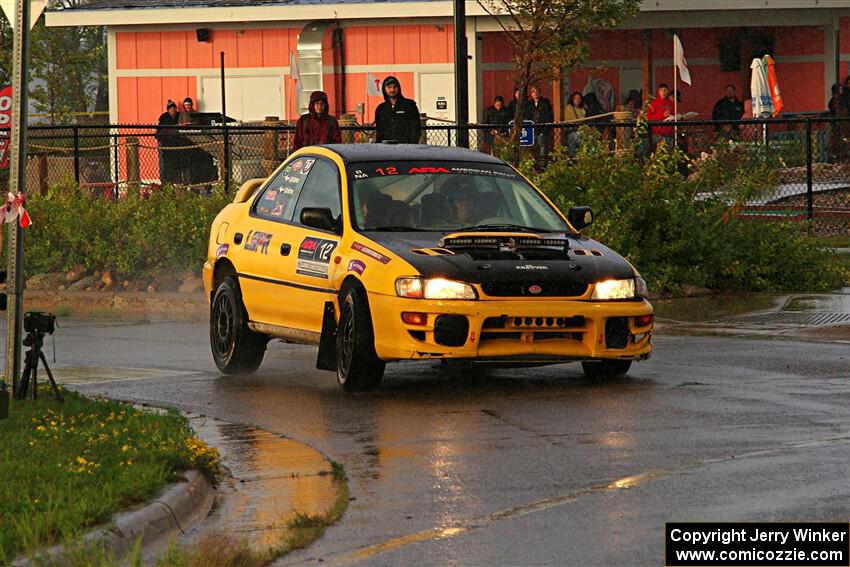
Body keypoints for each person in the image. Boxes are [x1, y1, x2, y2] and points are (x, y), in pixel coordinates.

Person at [374, 76, 421, 144]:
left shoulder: (410, 105)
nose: (392, 90)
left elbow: (416, 127)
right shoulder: (381, 109)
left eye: (395, 87)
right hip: (386, 147)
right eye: (389, 87)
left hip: (406, 146)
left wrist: (412, 144)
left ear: (399, 88)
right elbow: (379, 131)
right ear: (384, 89)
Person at [156, 100, 180, 183]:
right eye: (170, 108)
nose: (172, 110)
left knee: (177, 163)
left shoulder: (179, 116)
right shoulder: (163, 117)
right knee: (165, 163)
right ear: (168, 110)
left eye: (173, 108)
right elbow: (158, 132)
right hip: (166, 143)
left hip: (177, 144)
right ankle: (165, 181)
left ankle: (176, 181)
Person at [645, 83, 675, 149]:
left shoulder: (672, 104)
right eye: (661, 90)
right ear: (658, 92)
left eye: (665, 90)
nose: (663, 92)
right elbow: (649, 117)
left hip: (669, 134)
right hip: (658, 134)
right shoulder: (653, 103)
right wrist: (662, 115)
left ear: (667, 91)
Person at [528, 86, 554, 158]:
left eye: (536, 91)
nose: (535, 93)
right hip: (532, 130)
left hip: (542, 129)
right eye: (533, 92)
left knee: (542, 146)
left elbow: (548, 117)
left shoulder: (545, 102)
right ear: (531, 94)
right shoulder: (529, 104)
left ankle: (542, 162)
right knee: (532, 147)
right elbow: (528, 117)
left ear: (539, 92)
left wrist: (544, 130)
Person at [828, 83, 848, 163]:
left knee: (842, 140)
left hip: (840, 123)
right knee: (837, 140)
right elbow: (837, 110)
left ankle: (840, 157)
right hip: (837, 123)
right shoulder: (835, 100)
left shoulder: (842, 99)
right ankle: (836, 157)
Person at [563, 92, 586, 156]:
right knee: (577, 136)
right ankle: (572, 157)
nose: (577, 100)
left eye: (579, 98)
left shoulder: (583, 109)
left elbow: (585, 120)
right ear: (572, 99)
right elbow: (573, 121)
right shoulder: (569, 108)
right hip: (572, 131)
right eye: (575, 98)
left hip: (582, 130)